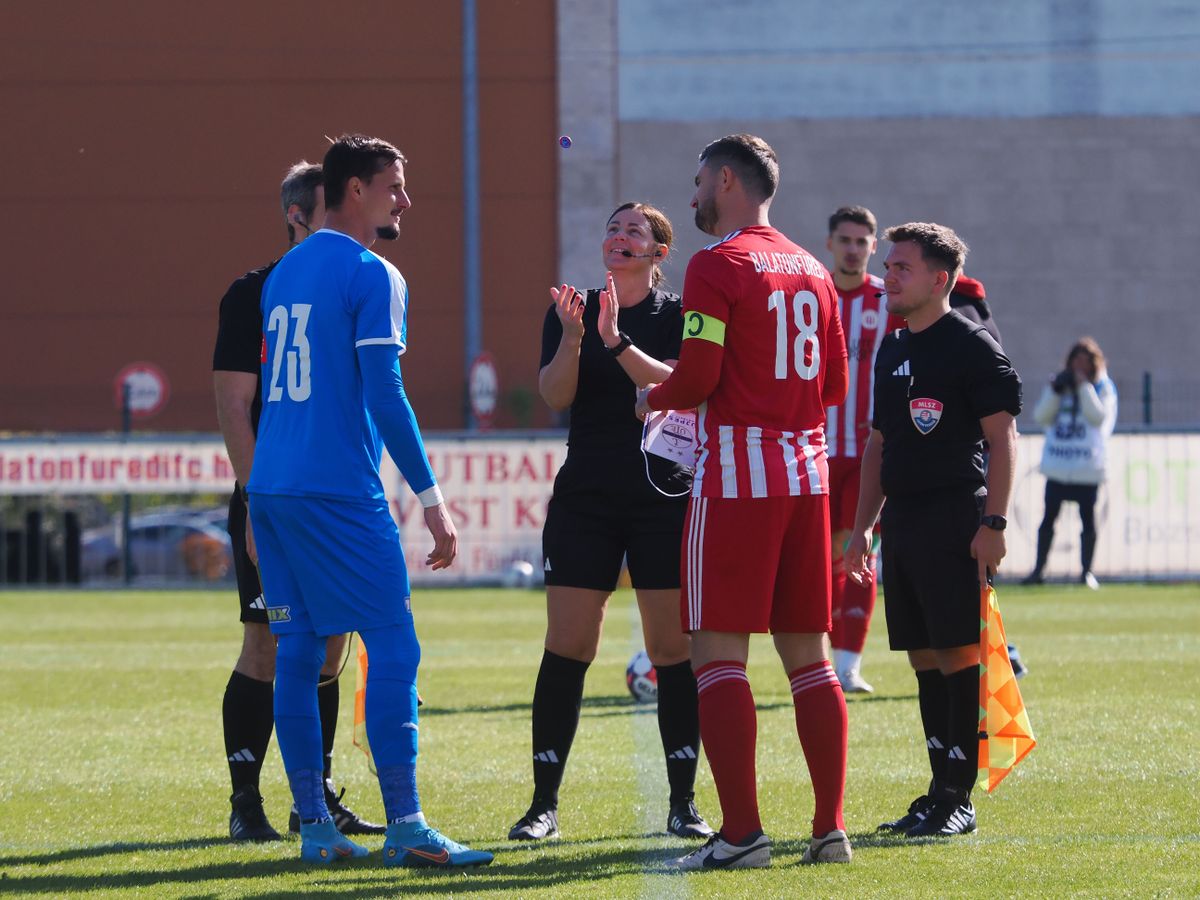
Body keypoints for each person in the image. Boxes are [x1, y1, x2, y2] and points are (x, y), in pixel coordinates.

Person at [246, 134, 491, 868]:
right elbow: (385, 392)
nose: (404, 202)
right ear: (356, 189)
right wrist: (432, 499)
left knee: (297, 650)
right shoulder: (372, 272)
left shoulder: (283, 271)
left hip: (273, 486)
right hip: (334, 490)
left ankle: (317, 829)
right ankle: (408, 827)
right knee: (394, 645)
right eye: (394, 187)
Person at [636, 134, 851, 869]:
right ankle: (829, 829)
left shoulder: (718, 264)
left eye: (698, 181)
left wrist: (653, 399)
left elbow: (697, 375)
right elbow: (834, 390)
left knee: (717, 654)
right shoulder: (815, 271)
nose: (692, 194)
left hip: (738, 480)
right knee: (811, 661)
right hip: (808, 477)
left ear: (726, 181)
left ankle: (742, 834)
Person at [509, 202, 712, 843]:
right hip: (586, 498)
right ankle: (544, 804)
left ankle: (683, 802)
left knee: (671, 650)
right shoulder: (571, 308)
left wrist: (616, 343)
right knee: (568, 646)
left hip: (662, 496)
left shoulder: (678, 315)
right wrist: (575, 337)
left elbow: (684, 386)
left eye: (636, 232)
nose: (619, 237)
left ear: (659, 253)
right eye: (613, 228)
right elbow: (555, 395)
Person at [213, 161, 381, 842]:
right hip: (275, 498)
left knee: (330, 649)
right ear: (298, 215)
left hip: (337, 501)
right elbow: (233, 401)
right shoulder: (253, 292)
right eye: (332, 206)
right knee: (267, 647)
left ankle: (314, 798)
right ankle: (245, 802)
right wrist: (258, 501)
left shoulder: (355, 285)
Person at [844, 222, 1022, 838]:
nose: (887, 276)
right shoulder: (893, 347)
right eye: (888, 266)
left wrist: (993, 523)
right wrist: (863, 526)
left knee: (959, 653)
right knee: (922, 656)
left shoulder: (972, 345)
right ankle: (938, 789)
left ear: (938, 279)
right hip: (905, 522)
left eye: (901, 268)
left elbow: (1003, 439)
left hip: (956, 516)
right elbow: (879, 443)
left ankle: (959, 796)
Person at [823, 205, 904, 694]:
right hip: (812, 452)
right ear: (830, 243)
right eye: (845, 240)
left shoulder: (890, 302)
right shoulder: (811, 296)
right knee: (814, 563)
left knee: (856, 555)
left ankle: (848, 665)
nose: (853, 248)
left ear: (873, 247)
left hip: (869, 454)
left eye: (862, 241)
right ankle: (815, 662)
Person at [1023, 337, 1117, 589]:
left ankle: (1086, 572)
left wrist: (1084, 387)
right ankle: (1039, 570)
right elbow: (1041, 416)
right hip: (1058, 467)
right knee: (1048, 520)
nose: (1079, 367)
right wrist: (1055, 391)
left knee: (1088, 520)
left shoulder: (1102, 388)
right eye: (1076, 361)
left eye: (1085, 363)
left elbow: (1098, 418)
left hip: (1087, 468)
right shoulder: (1058, 385)